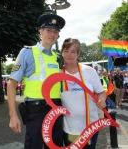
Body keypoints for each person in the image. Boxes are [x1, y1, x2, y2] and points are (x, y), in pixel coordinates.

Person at [7, 13, 66, 149]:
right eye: (48, 30)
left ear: (58, 36)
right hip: (35, 112)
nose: (52, 34)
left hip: (56, 111)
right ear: (41, 31)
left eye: (55, 31)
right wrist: (13, 115)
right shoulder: (27, 52)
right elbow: (12, 84)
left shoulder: (58, 57)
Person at [60, 38, 106, 149]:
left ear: (78, 54)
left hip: (90, 127)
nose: (69, 55)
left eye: (73, 52)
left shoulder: (89, 71)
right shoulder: (57, 73)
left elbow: (101, 92)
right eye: (66, 51)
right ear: (62, 53)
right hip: (69, 128)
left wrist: (102, 101)